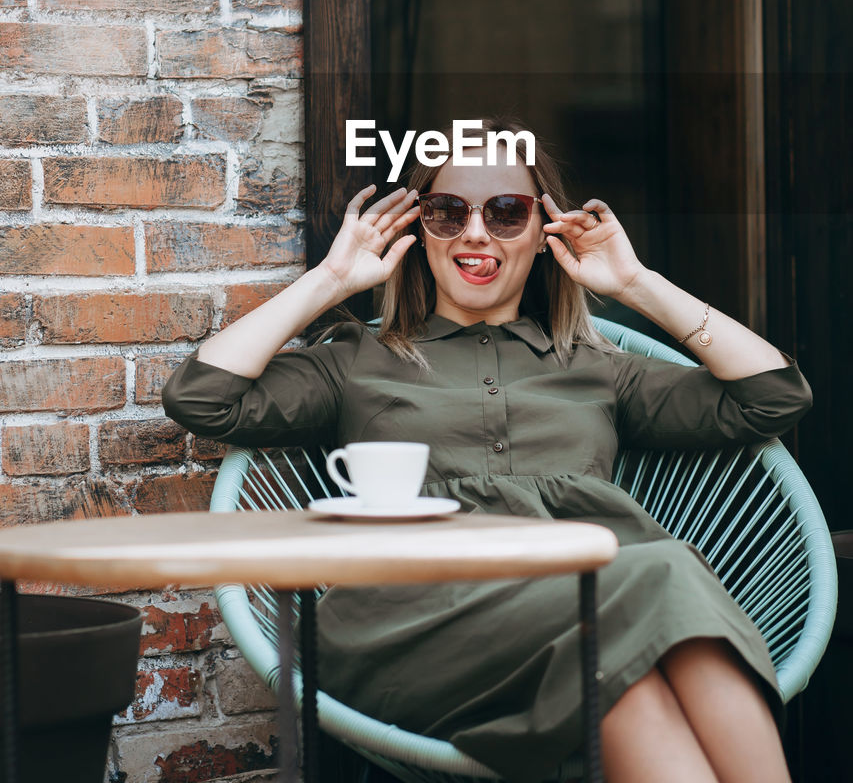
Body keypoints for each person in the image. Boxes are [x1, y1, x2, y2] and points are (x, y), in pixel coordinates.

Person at [162, 119, 812, 783]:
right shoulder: (359, 359)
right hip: (412, 622)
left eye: (506, 213)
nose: (475, 232)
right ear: (421, 234)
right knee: (663, 571)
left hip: (586, 624)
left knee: (628, 684)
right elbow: (203, 397)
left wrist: (635, 283)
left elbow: (773, 398)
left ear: (541, 235)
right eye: (447, 213)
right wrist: (331, 280)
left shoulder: (594, 365)